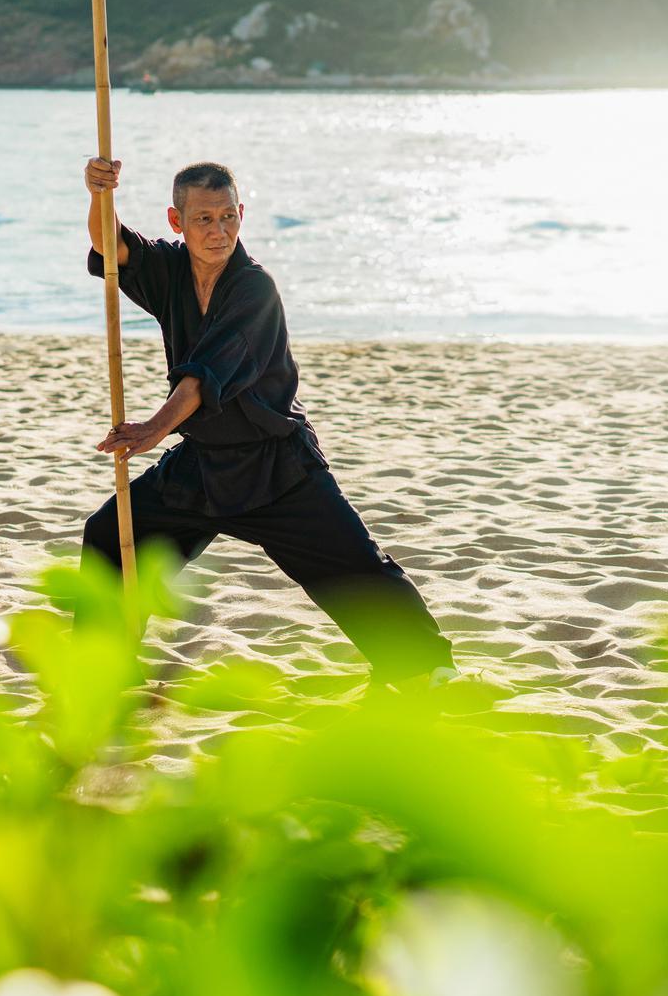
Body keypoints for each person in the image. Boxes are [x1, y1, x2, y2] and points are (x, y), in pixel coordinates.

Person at [80, 155, 456, 687]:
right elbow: (110, 245)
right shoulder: (168, 270)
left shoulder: (254, 288)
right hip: (202, 466)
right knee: (109, 537)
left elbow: (202, 376)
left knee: (354, 568)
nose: (218, 231)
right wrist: (100, 194)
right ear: (176, 221)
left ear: (241, 214)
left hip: (273, 462)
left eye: (228, 216)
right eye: (204, 219)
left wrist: (154, 429)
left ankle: (428, 666)